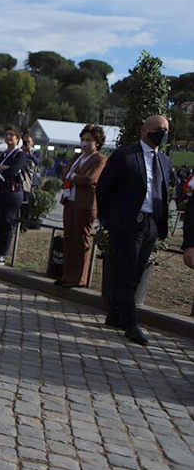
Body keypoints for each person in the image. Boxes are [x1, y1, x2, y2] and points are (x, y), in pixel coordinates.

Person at [96, 115, 171, 346]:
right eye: (158, 129)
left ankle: (116, 315)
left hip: (151, 224)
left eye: (166, 129)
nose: (162, 133)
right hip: (128, 224)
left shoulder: (164, 161)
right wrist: (108, 220)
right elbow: (104, 188)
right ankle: (131, 324)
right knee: (127, 272)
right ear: (144, 130)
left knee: (136, 273)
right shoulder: (125, 156)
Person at [56, 125, 107, 288]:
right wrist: (73, 176)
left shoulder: (100, 159)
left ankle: (79, 278)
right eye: (83, 140)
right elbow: (64, 173)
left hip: (85, 205)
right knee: (69, 239)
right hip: (69, 201)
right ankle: (66, 275)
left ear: (97, 142)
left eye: (88, 140)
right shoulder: (77, 157)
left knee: (81, 240)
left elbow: (90, 179)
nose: (84, 143)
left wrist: (73, 176)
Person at [0, 126, 28, 264]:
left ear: (17, 138)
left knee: (7, 221)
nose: (8, 137)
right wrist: (0, 168)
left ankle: (2, 254)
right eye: (7, 134)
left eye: (12, 135)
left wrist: (2, 169)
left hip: (12, 192)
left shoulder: (20, 154)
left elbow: (13, 170)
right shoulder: (0, 154)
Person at [19, 132, 40, 222]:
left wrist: (29, 153)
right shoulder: (19, 151)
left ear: (32, 143)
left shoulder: (35, 153)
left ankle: (25, 222)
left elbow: (37, 162)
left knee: (27, 204)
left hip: (31, 181)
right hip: (21, 179)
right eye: (25, 142)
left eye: (28, 142)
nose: (26, 144)